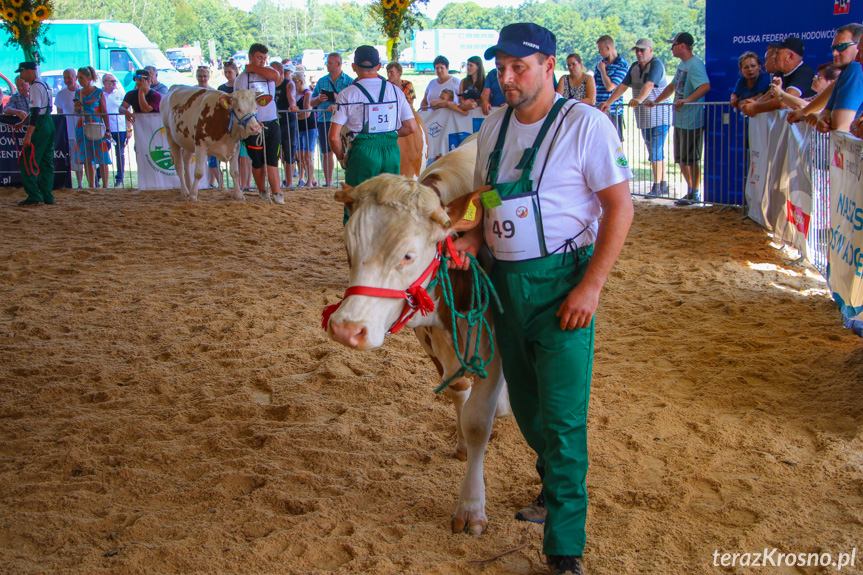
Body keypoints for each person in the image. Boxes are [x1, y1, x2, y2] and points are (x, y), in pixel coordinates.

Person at [451, 22, 633, 575]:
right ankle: (551, 484)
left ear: (549, 65)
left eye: (519, 67)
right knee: (527, 408)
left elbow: (619, 208)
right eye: (500, 66)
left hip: (563, 287)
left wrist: (591, 286)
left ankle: (564, 550)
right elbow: (486, 200)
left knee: (561, 418)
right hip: (505, 285)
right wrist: (473, 237)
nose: (506, 78)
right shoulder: (494, 125)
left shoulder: (587, 125)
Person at [329, 45, 416, 224]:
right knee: (389, 204)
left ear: (354, 67)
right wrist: (387, 134)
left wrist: (342, 157)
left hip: (362, 152)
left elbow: (333, 136)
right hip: (391, 151)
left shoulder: (347, 94)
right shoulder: (396, 91)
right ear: (378, 66)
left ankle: (356, 249)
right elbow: (410, 127)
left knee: (355, 205)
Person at [600, 38, 671, 196]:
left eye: (642, 50)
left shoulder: (656, 65)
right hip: (645, 117)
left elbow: (650, 85)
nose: (639, 53)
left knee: (655, 150)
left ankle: (657, 186)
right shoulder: (634, 67)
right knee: (654, 149)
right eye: (637, 50)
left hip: (659, 115)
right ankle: (663, 183)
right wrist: (609, 102)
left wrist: (639, 99)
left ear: (651, 51)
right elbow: (623, 86)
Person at [647, 32, 710, 206]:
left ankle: (694, 193)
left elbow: (705, 86)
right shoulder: (683, 65)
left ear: (682, 46)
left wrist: (687, 100)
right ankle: (690, 191)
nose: (671, 48)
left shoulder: (695, 65)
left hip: (692, 120)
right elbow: (673, 86)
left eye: (673, 45)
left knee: (691, 159)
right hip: (681, 119)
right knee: (681, 158)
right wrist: (656, 101)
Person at [235, 43, 284, 204]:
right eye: (259, 57)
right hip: (253, 125)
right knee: (257, 161)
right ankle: (263, 191)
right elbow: (241, 104)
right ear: (250, 57)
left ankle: (277, 193)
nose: (262, 61)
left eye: (264, 58)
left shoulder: (268, 74)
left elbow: (276, 76)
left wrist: (253, 68)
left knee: (273, 159)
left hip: (272, 122)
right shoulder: (242, 79)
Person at [13, 62, 55, 206]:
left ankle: (34, 195)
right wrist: (23, 122)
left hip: (40, 125)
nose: (21, 75)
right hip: (48, 122)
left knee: (28, 160)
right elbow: (39, 110)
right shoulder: (43, 84)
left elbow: (36, 112)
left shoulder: (34, 87)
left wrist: (28, 134)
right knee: (45, 161)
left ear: (31, 71)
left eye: (23, 72)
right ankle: (47, 196)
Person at [740, 37, 816, 117]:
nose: (774, 56)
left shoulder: (804, 74)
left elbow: (785, 100)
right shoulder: (780, 73)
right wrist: (755, 102)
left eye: (778, 53)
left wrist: (755, 108)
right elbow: (771, 94)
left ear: (790, 56)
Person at [310, 52, 353, 187]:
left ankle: (348, 179)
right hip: (324, 120)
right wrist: (318, 99)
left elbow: (353, 102)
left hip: (344, 123)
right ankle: (328, 182)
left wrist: (337, 99)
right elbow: (311, 102)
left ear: (338, 64)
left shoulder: (349, 81)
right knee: (326, 152)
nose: (327, 65)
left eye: (329, 62)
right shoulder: (322, 81)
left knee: (347, 151)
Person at [814, 23, 863, 134]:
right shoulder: (846, 71)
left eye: (841, 47)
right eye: (833, 48)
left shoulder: (855, 67)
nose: (834, 53)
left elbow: (840, 125)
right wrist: (822, 119)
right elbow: (825, 113)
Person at [73, 66, 112, 189]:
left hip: (97, 125)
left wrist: (107, 129)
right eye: (78, 78)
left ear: (89, 78)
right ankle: (91, 185)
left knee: (102, 156)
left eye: (81, 78)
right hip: (82, 125)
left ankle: (105, 186)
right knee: (86, 157)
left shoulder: (99, 92)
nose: (79, 80)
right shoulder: (78, 93)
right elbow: (76, 111)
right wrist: (78, 108)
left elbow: (104, 111)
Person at [217, 60, 252, 191]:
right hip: (229, 127)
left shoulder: (242, 87)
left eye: (230, 72)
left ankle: (246, 184)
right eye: (225, 72)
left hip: (243, 124)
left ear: (236, 71)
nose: (227, 74)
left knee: (245, 157)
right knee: (235, 157)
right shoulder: (222, 89)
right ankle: (239, 184)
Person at [594, 35, 629, 141]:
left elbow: (610, 86)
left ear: (608, 48)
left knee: (615, 142)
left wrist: (603, 71)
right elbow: (595, 83)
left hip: (614, 110)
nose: (599, 53)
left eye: (600, 50)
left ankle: (618, 158)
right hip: (599, 109)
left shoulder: (622, 64)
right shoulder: (600, 64)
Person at [194, 66, 224, 189]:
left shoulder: (213, 91)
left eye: (205, 76)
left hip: (211, 129)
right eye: (200, 76)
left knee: (213, 159)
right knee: (200, 158)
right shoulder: (193, 91)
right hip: (196, 127)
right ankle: (206, 183)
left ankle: (219, 184)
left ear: (208, 76)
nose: (202, 78)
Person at [54, 68, 84, 188]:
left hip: (83, 130)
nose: (67, 80)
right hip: (69, 132)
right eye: (65, 77)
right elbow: (59, 114)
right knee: (73, 158)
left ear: (75, 78)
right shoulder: (60, 94)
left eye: (69, 77)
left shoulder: (83, 92)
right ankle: (76, 183)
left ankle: (89, 183)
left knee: (85, 157)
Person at [272, 60, 299, 189]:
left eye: (273, 71)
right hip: (273, 123)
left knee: (289, 152)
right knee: (273, 154)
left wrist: (293, 105)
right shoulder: (269, 85)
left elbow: (291, 96)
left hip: (288, 122)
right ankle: (276, 182)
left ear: (280, 72)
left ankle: (289, 182)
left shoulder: (288, 84)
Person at [101, 73, 127, 187]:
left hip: (120, 128)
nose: (114, 83)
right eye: (111, 81)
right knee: (102, 153)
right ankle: (99, 177)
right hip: (105, 128)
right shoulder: (100, 94)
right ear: (104, 82)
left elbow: (127, 110)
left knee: (120, 153)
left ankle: (119, 178)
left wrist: (129, 128)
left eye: (115, 81)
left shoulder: (121, 94)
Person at [293, 70, 317, 187]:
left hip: (309, 127)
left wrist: (293, 115)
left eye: (294, 82)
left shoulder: (308, 93)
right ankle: (311, 179)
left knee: (308, 156)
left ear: (300, 82)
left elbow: (307, 113)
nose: (293, 84)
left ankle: (310, 181)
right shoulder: (296, 95)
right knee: (301, 156)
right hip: (300, 128)